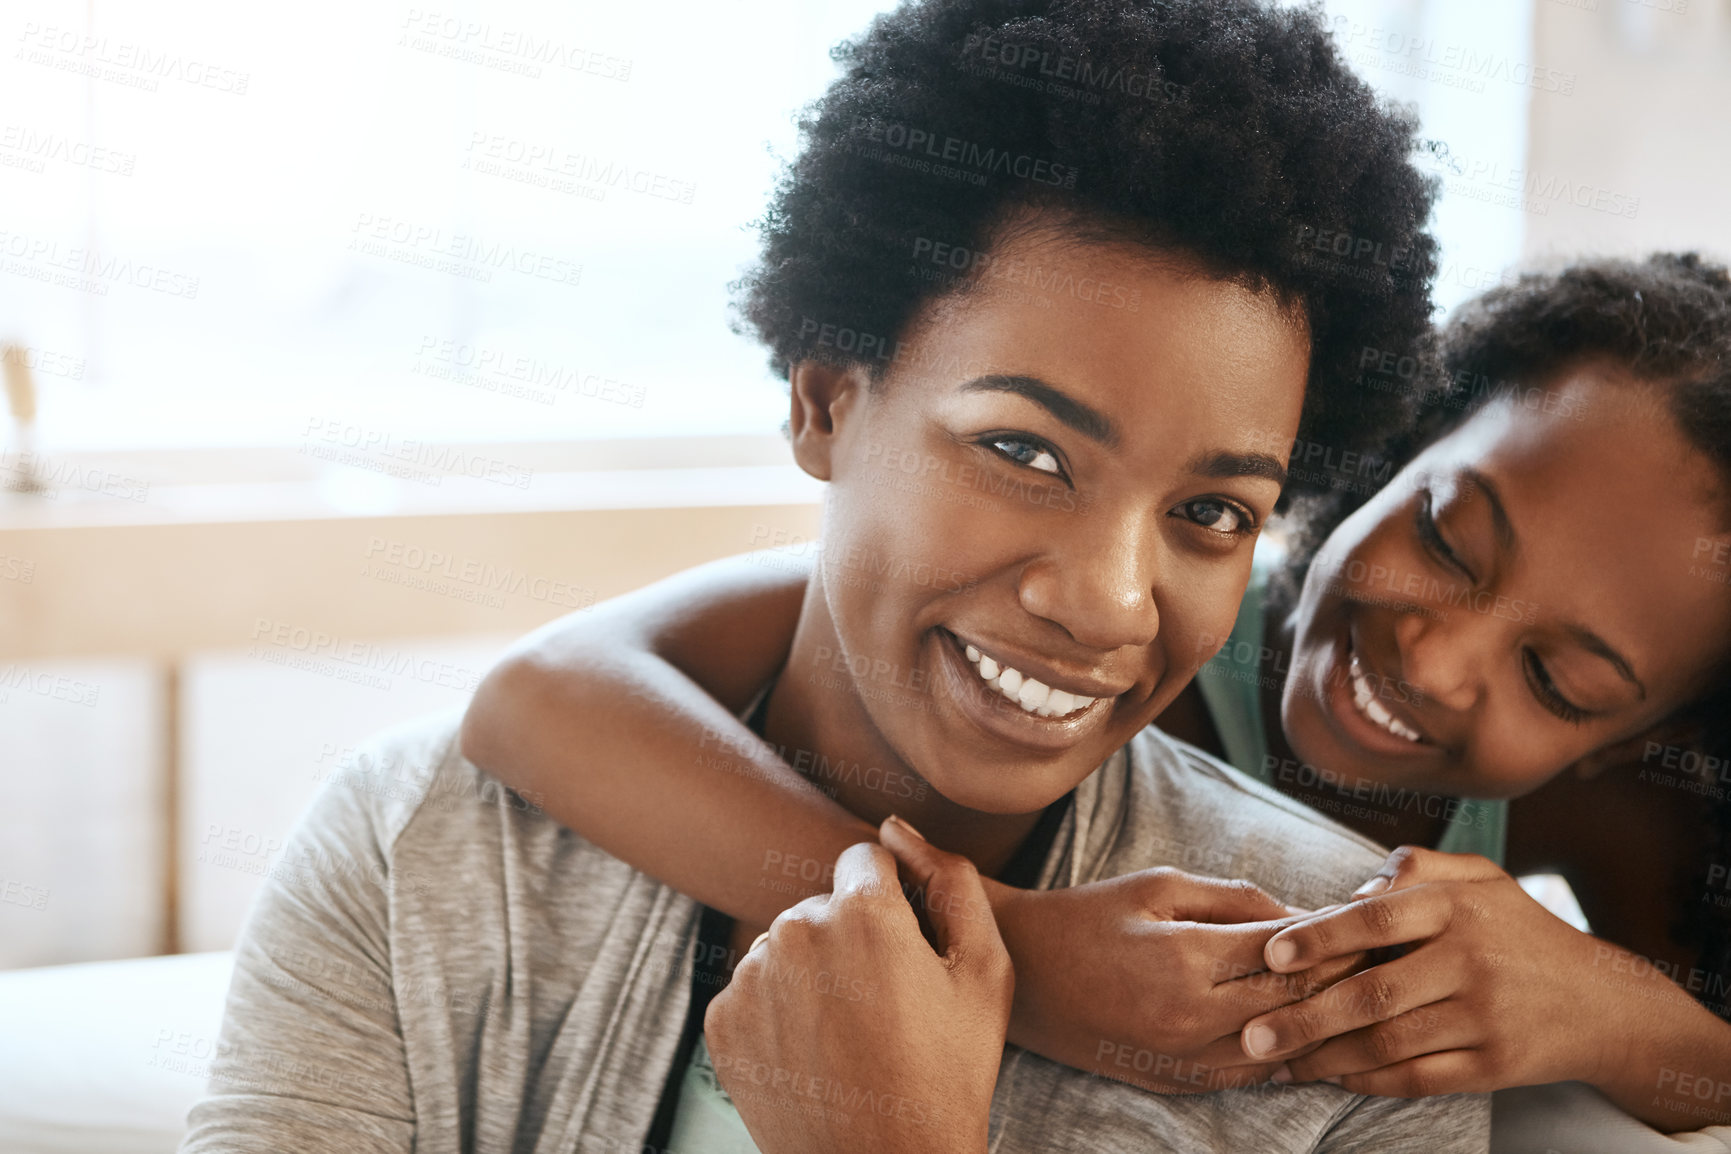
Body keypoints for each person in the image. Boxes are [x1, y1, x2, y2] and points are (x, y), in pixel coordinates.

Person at [182, 0, 1492, 1150]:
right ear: (823, 399)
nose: (1105, 597)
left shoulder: (1333, 1016)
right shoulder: (435, 852)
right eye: (1022, 449)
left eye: (1209, 509)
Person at [463, 253, 1731, 1137]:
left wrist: (1610, 1015)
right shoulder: (1104, 645)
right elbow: (540, 693)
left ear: (1636, 741)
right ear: (1392, 441)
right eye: (1448, 537)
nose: (1439, 655)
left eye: (1556, 680)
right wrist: (1018, 944)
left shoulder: (1603, 816)